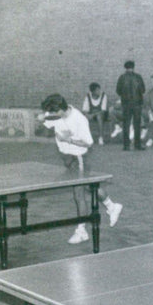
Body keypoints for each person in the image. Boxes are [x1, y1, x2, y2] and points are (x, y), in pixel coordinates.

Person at [38, 94, 123, 244]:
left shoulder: (78, 119)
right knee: (89, 188)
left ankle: (81, 230)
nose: (50, 114)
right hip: (66, 158)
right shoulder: (55, 115)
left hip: (79, 158)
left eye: (52, 112)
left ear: (59, 110)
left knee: (78, 195)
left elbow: (89, 143)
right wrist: (41, 119)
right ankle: (112, 206)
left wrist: (68, 139)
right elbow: (46, 129)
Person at [115, 60, 146, 150]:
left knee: (126, 125)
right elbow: (143, 90)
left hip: (126, 104)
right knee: (137, 125)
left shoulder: (122, 78)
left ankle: (126, 145)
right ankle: (137, 144)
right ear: (133, 67)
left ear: (125, 68)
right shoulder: (138, 77)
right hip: (137, 104)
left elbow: (118, 90)